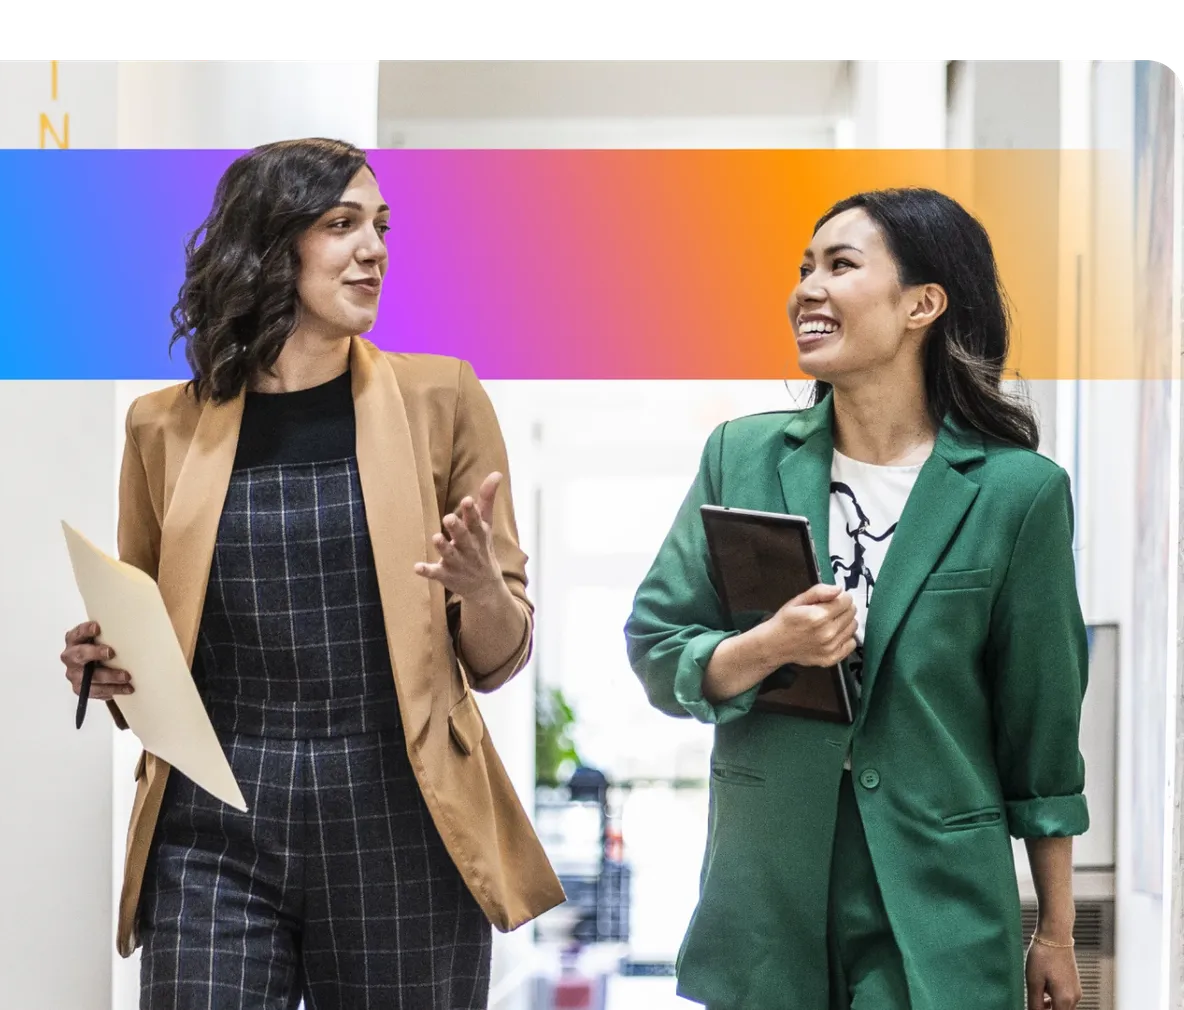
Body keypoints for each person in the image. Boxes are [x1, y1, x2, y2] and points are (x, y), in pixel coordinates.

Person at [58, 138, 564, 1010]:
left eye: (381, 226)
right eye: (341, 225)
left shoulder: (443, 400)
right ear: (269, 243)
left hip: (401, 809)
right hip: (214, 809)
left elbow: (498, 655)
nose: (374, 249)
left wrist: (481, 588)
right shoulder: (160, 428)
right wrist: (106, 668)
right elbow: (145, 629)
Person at [625, 188, 1087, 1010]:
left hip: (937, 913)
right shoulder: (742, 455)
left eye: (840, 265)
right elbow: (660, 645)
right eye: (804, 268)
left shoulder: (1019, 494)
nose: (808, 288)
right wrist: (766, 646)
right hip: (766, 906)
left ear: (922, 303)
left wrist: (1055, 931)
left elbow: (1041, 732)